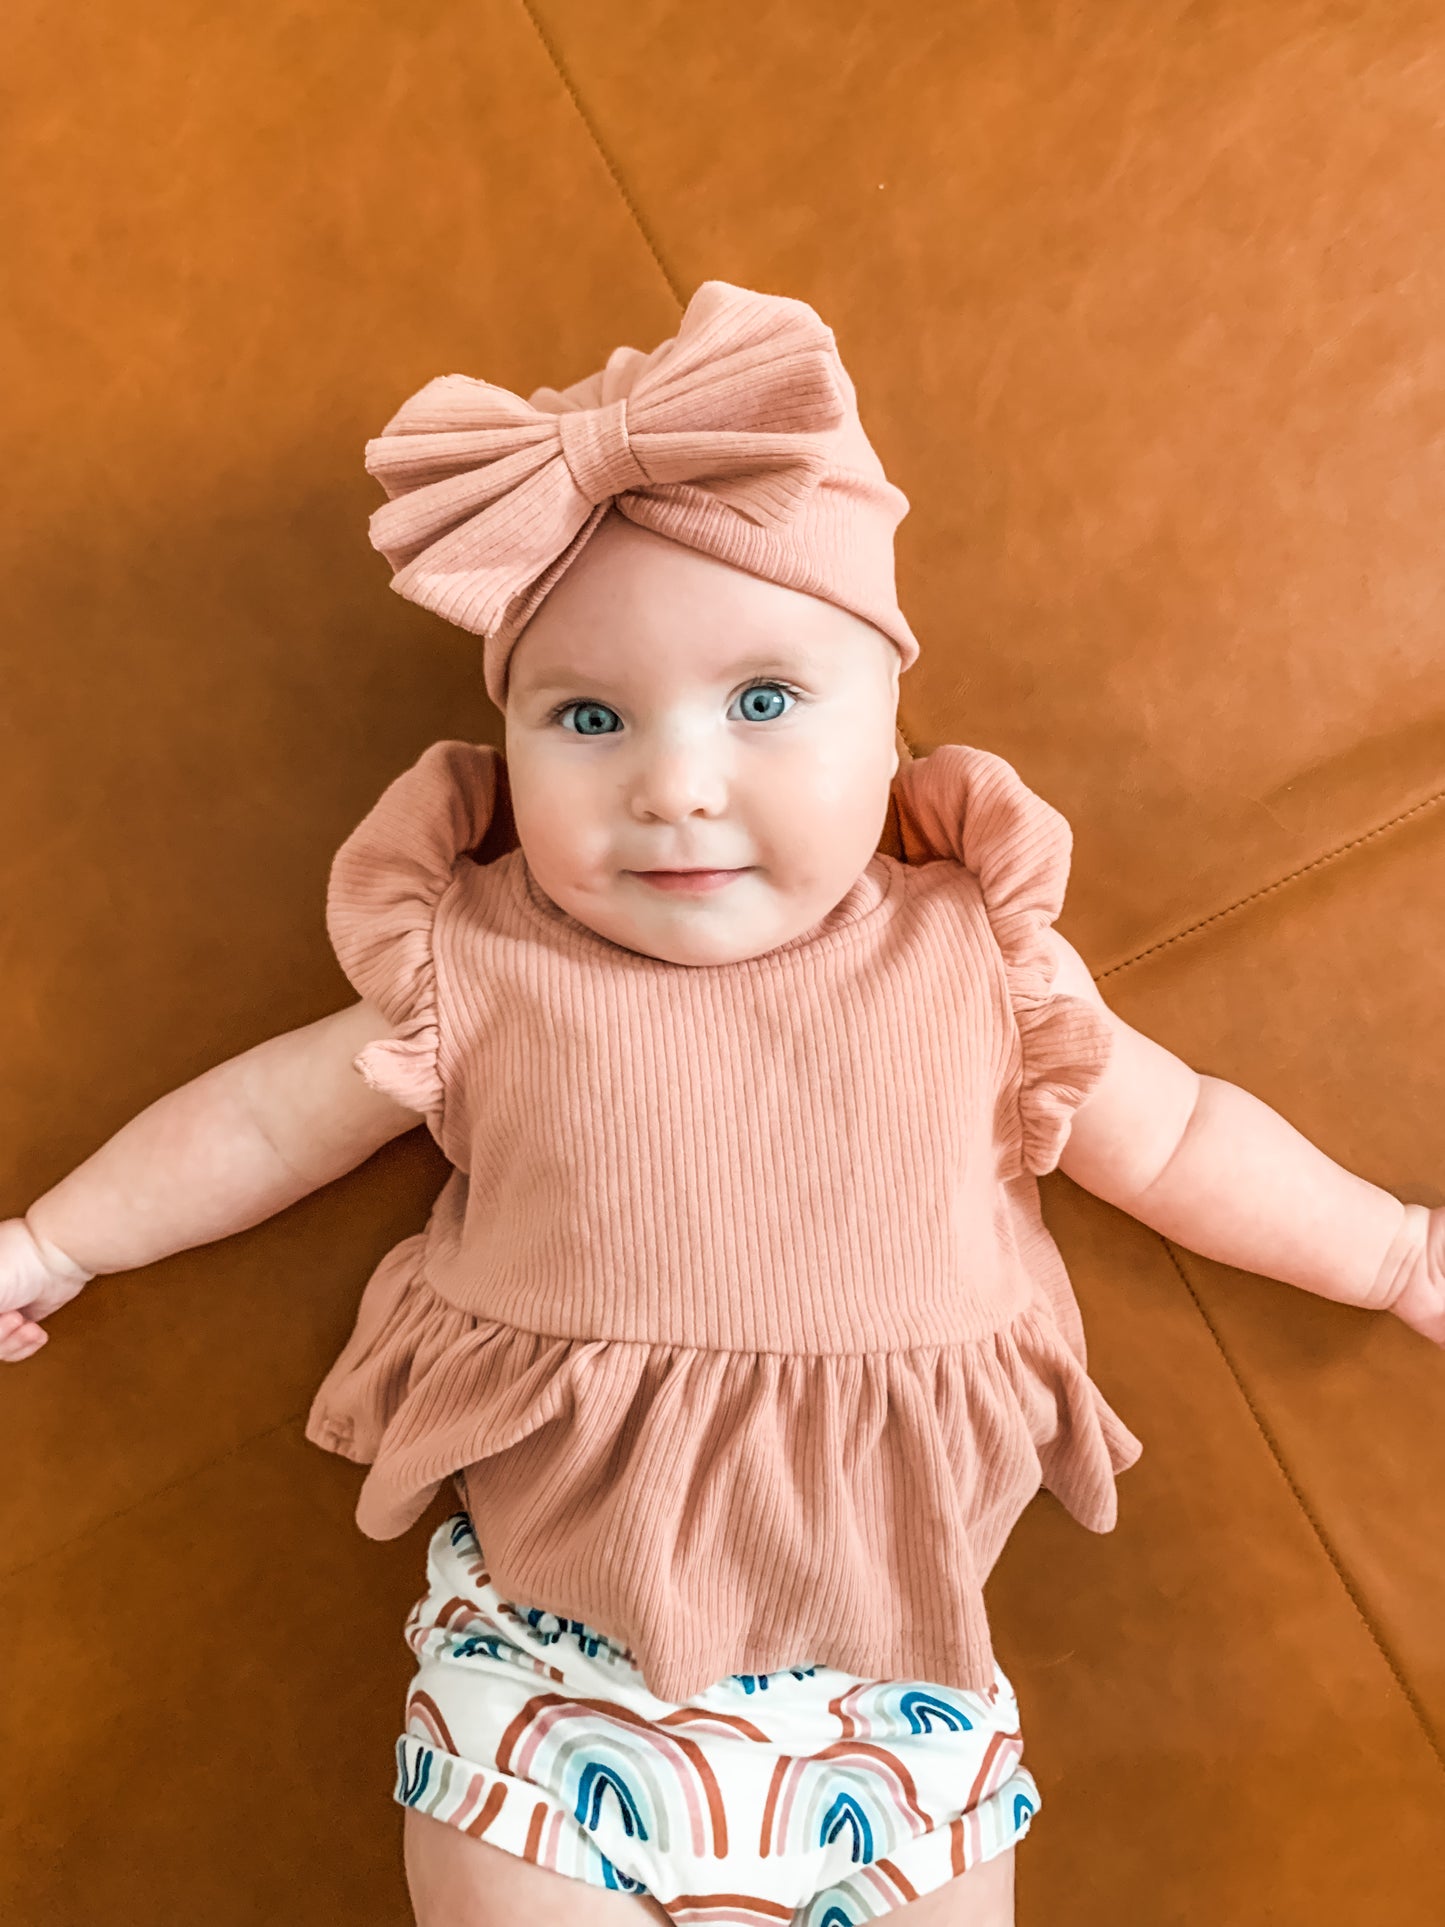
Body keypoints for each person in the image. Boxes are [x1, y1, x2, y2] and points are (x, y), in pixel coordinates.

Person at [3, 281, 1440, 1927]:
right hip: (551, 1672)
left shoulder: (976, 963)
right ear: (508, 742)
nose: (672, 781)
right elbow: (261, 1123)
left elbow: (1177, 1135)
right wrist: (56, 1239)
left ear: (889, 721)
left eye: (762, 703)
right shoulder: (473, 969)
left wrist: (1391, 1254)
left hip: (895, 1683)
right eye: (588, 717)